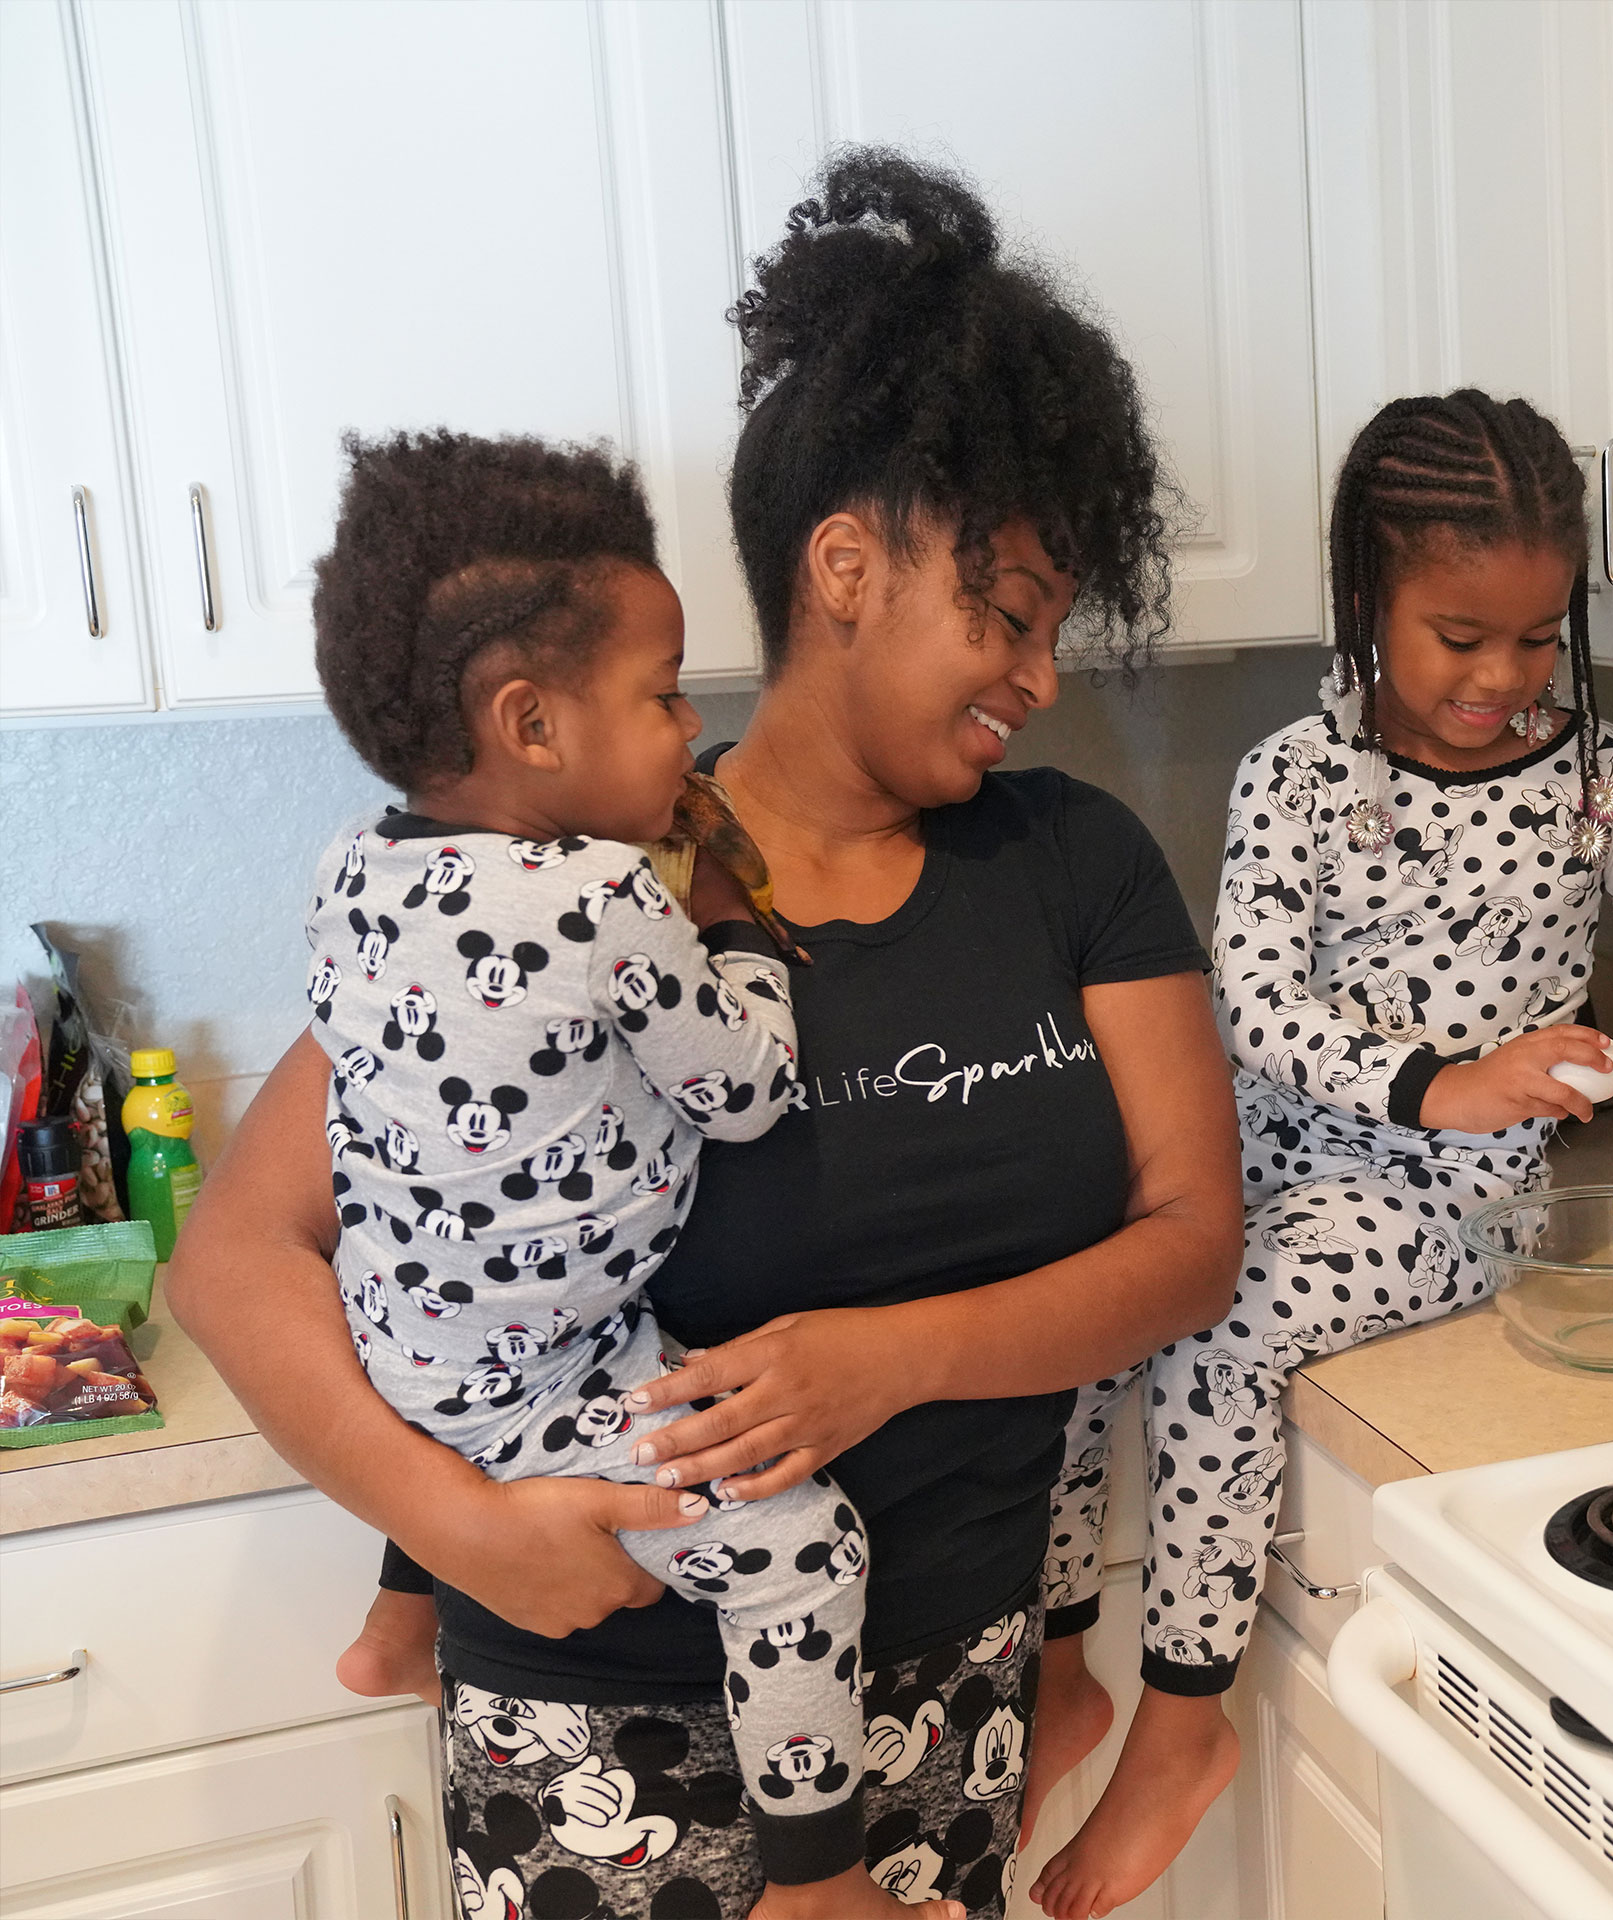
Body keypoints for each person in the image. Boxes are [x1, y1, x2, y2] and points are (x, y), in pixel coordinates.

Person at [173, 149, 1240, 1920]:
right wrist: (453, 1535)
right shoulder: (579, 885)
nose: (1039, 678)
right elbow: (235, 1257)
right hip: (602, 1724)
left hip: (947, 1707)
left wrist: (891, 1355)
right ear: (847, 564)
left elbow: (1191, 1247)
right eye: (1006, 615)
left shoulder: (1075, 865)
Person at [1028, 389, 1613, 1919]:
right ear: (1366, 601)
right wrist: (1446, 1073)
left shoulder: (1609, 783)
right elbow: (1260, 1006)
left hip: (1453, 1204)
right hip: (1261, 1149)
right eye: (1460, 636)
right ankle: (1055, 1666)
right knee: (1084, 1297)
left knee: (1214, 1325)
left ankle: (1179, 1726)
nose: (1504, 677)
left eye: (1539, 638)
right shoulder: (1292, 778)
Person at [298, 428, 912, 1914]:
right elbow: (747, 1094)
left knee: (481, 1321)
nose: (687, 724)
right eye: (658, 695)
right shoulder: (599, 898)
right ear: (528, 720)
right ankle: (816, 1884)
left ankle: (397, 1625)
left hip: (411, 1329)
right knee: (803, 1546)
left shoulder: (350, 870)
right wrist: (748, 940)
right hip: (539, 1365)